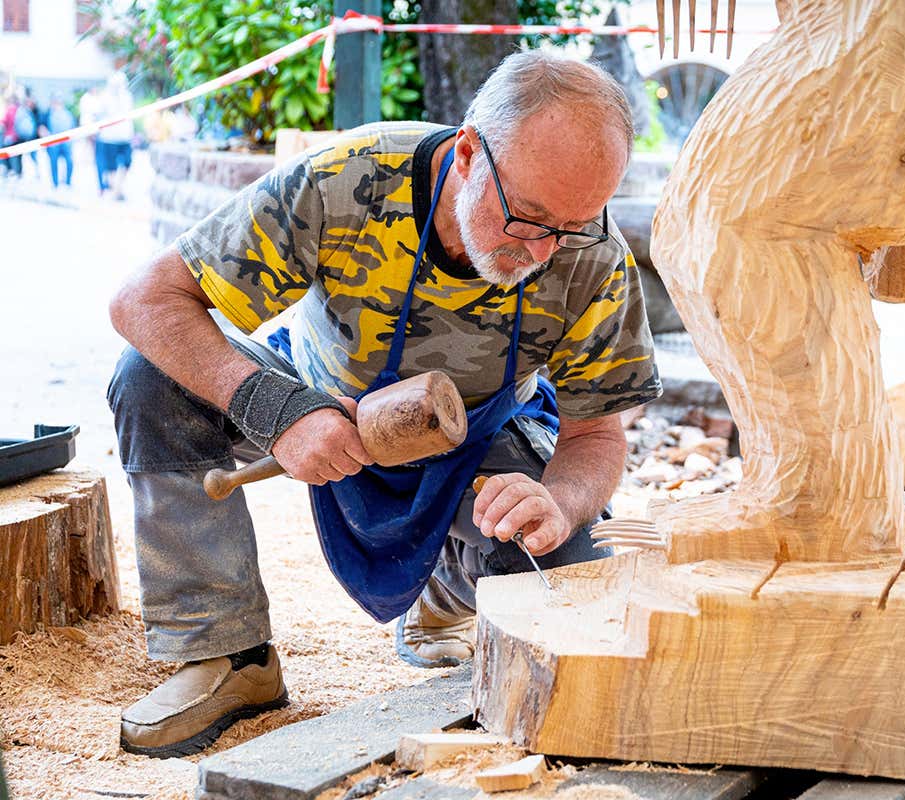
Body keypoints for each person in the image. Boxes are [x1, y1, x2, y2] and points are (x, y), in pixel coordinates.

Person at [107, 51, 660, 758]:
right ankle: (225, 653)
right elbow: (143, 299)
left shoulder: (594, 251)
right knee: (150, 377)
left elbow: (597, 437)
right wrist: (274, 408)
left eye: (572, 225)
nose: (545, 251)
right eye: (528, 218)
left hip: (481, 433)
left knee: (577, 574)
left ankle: (449, 592)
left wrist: (560, 500)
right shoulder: (348, 179)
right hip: (322, 398)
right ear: (468, 153)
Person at [97, 73, 133, 200]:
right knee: (110, 167)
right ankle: (115, 190)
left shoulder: (127, 96)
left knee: (127, 164)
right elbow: (99, 115)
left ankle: (118, 188)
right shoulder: (104, 97)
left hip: (125, 137)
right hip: (109, 138)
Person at [43, 93, 75, 189]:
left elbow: (72, 126)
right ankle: (55, 183)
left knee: (69, 162)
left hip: (66, 143)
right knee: (53, 162)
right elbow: (42, 127)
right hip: (53, 143)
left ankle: (68, 182)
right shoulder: (47, 113)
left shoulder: (67, 113)